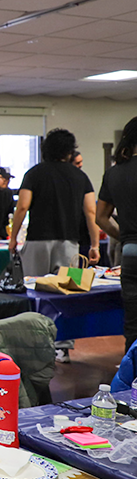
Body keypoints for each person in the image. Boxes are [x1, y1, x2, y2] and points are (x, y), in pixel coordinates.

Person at [8, 128, 99, 276]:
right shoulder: (81, 177)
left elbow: (22, 207)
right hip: (69, 242)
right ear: (70, 152)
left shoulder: (33, 174)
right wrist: (95, 245)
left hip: (37, 240)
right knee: (69, 285)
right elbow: (91, 211)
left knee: (32, 284)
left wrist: (13, 238)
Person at [97, 117, 137, 347]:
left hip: (130, 254)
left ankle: (132, 368)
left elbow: (101, 217)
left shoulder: (114, 173)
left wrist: (125, 236)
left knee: (132, 323)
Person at [0, 167, 15, 240]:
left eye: (8, 179)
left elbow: (10, 213)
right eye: (3, 178)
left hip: (2, 235)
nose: (6, 181)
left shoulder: (8, 193)